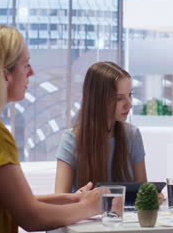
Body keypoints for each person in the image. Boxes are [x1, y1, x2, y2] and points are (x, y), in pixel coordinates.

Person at [0, 25, 103, 233]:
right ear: (5, 75)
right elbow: (31, 217)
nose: (31, 72)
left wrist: (71, 199)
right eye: (26, 65)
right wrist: (92, 206)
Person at [54, 62, 147, 193]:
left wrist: (152, 198)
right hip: (87, 213)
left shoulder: (132, 135)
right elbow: (60, 201)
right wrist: (79, 198)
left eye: (130, 95)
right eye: (119, 98)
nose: (129, 104)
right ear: (98, 100)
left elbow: (143, 192)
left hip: (126, 213)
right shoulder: (71, 140)